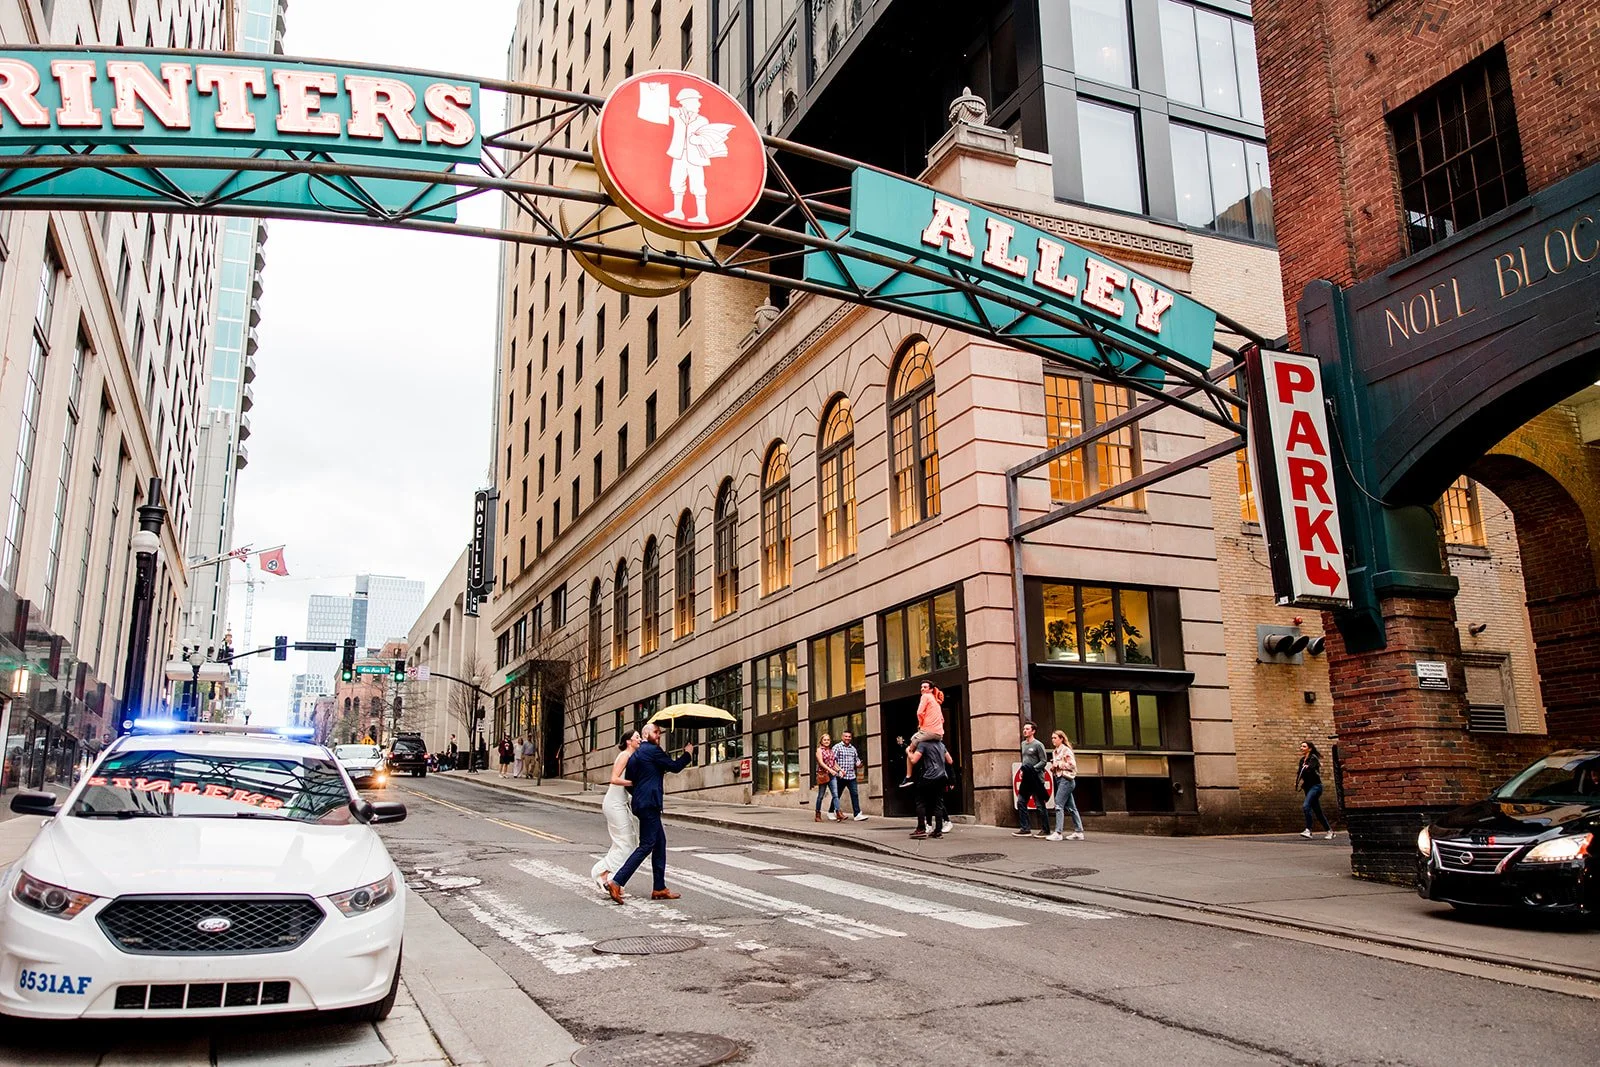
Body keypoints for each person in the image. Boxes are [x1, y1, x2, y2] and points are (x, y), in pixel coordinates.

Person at [605, 724, 694, 903]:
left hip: (641, 803)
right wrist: (688, 754)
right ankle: (617, 881)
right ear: (646, 734)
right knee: (647, 845)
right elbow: (675, 767)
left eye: (660, 733)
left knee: (659, 843)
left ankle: (659, 888)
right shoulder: (653, 750)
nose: (658, 735)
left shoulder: (636, 754)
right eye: (655, 732)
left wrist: (639, 796)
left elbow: (632, 780)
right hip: (649, 804)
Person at [591, 732, 642, 892]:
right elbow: (614, 778)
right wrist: (634, 782)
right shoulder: (624, 755)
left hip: (620, 804)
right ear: (628, 741)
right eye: (637, 737)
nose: (640, 739)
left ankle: (607, 874)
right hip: (614, 804)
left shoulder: (632, 757)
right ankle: (603, 874)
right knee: (626, 843)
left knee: (627, 842)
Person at [899, 682, 946, 788]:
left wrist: (921, 724)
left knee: (910, 749)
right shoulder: (936, 701)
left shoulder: (925, 696)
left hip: (927, 731)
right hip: (939, 734)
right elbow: (942, 719)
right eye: (921, 687)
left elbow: (919, 712)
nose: (922, 689)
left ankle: (908, 777)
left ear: (930, 689)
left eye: (925, 687)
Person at [906, 735, 952, 839]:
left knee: (921, 801)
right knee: (938, 803)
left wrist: (908, 752)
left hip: (929, 776)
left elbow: (913, 760)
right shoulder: (941, 745)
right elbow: (950, 760)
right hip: (941, 777)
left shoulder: (923, 744)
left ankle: (921, 828)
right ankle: (938, 831)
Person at [1014, 722, 1051, 837]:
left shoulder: (1038, 745)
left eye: (1027, 729)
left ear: (1033, 731)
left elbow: (1043, 761)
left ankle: (1045, 829)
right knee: (1021, 801)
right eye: (1024, 729)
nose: (1025, 731)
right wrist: (1022, 770)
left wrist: (1032, 769)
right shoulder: (1023, 744)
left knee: (1039, 804)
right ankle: (1025, 828)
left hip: (1036, 778)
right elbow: (1025, 760)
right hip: (1026, 778)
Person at [1048, 730, 1084, 842]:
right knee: (1072, 807)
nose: (1053, 740)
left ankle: (1058, 832)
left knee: (1058, 804)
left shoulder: (1066, 750)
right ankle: (1079, 831)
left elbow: (1072, 765)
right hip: (1060, 779)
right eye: (1052, 738)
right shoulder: (1055, 752)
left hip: (1066, 780)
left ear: (1061, 739)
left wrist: (1058, 764)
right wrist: (1054, 768)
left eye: (1055, 738)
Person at [1297, 741, 1334, 839]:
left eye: (1304, 746)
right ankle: (1330, 831)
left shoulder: (1313, 758)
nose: (1301, 748)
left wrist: (1306, 767)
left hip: (1316, 786)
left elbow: (1310, 769)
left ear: (1310, 748)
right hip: (1307, 787)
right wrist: (1298, 782)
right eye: (1301, 746)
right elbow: (1299, 773)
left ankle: (1308, 830)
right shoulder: (1302, 760)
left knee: (1306, 806)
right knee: (1317, 811)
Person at [830, 731, 867, 821]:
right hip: (840, 776)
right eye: (846, 736)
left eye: (849, 737)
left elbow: (856, 760)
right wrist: (838, 771)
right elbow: (832, 761)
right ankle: (831, 811)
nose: (847, 738)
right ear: (842, 737)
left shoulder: (853, 748)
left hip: (851, 776)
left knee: (854, 794)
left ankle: (857, 814)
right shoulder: (837, 747)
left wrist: (859, 764)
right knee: (837, 795)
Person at [813, 732, 841, 822]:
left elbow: (834, 763)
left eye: (828, 740)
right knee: (821, 796)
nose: (826, 741)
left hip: (832, 775)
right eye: (825, 740)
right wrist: (830, 770)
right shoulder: (819, 750)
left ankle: (838, 812)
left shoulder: (830, 750)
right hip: (823, 775)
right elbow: (821, 762)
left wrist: (840, 770)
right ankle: (817, 814)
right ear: (821, 741)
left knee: (835, 794)